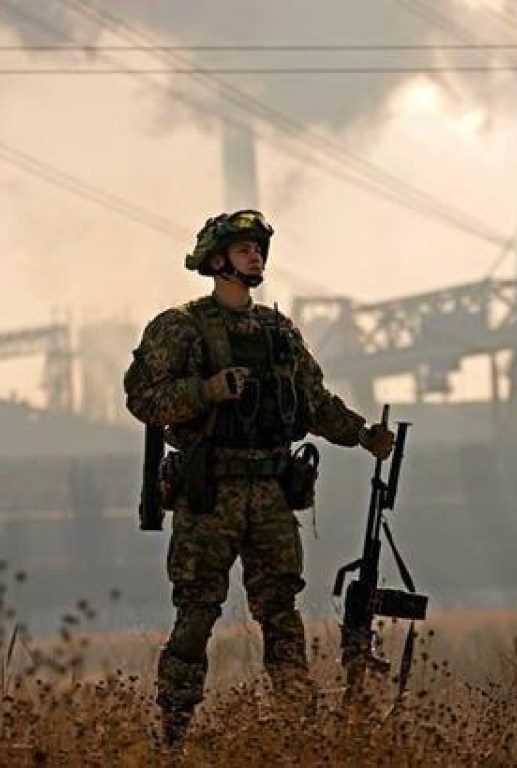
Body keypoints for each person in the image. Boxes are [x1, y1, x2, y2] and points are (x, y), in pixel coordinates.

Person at [123, 210, 394, 746]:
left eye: (259, 249)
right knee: (197, 613)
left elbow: (314, 403)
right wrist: (207, 392)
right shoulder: (179, 327)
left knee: (281, 613)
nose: (257, 257)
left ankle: (298, 727)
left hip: (270, 490)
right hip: (210, 493)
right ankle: (173, 731)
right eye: (245, 248)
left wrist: (364, 436)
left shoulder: (278, 332)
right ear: (217, 259)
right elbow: (143, 399)